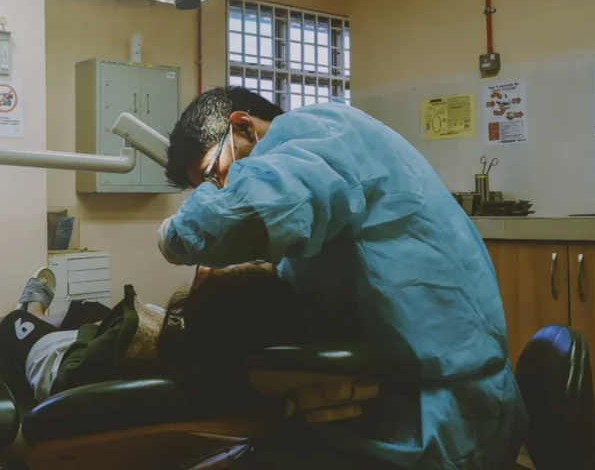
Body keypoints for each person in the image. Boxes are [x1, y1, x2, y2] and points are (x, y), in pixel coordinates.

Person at [157, 88, 528, 469]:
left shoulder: (318, 132)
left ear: (243, 126)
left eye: (211, 174)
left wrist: (172, 235)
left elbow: (243, 211)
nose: (220, 190)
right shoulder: (311, 165)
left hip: (443, 418)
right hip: (419, 396)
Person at [0, 262, 303, 405]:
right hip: (108, 335)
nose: (206, 271)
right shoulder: (223, 357)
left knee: (10, 326)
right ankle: (35, 309)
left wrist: (92, 334)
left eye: (230, 273)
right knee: (88, 308)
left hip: (57, 357)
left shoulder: (142, 348)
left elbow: (74, 369)